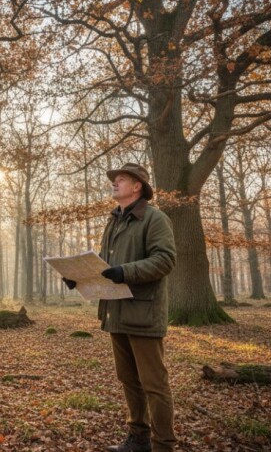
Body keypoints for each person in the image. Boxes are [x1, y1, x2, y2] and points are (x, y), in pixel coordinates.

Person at [63, 162, 177, 452]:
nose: (114, 183)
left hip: (143, 312)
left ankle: (163, 445)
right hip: (116, 312)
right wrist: (79, 276)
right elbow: (104, 264)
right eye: (114, 180)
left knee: (154, 384)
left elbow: (165, 260)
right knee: (128, 379)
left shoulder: (155, 219)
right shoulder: (113, 221)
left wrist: (125, 271)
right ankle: (138, 439)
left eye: (121, 179)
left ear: (137, 185)